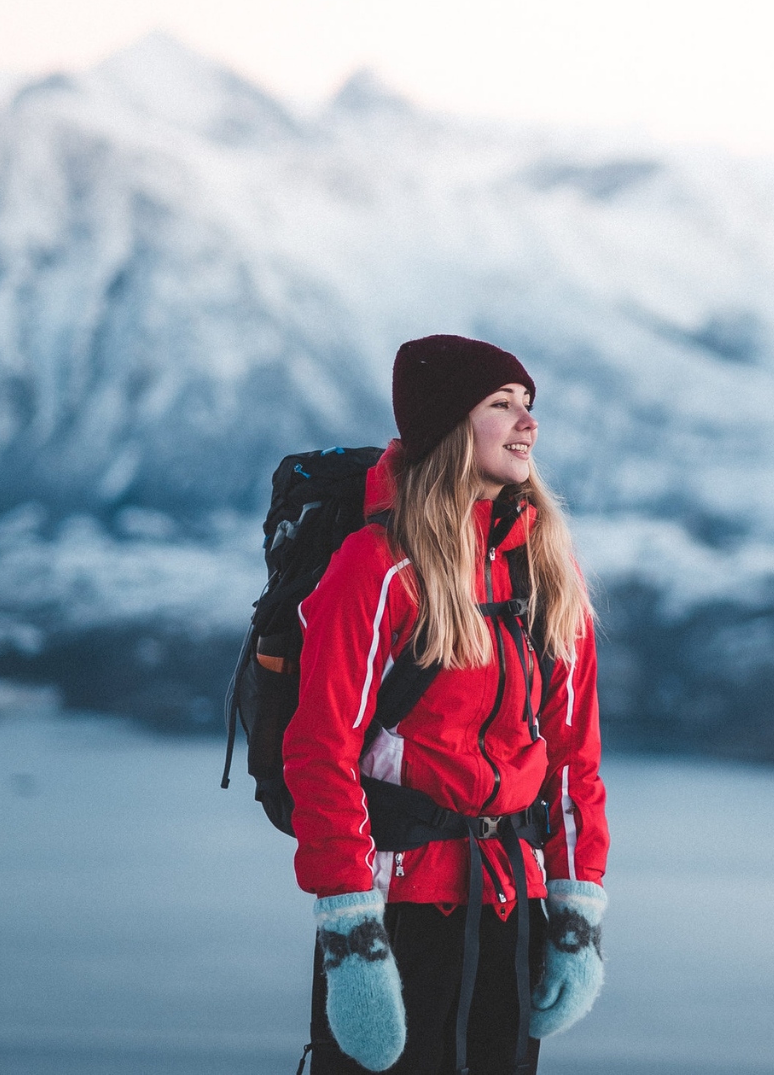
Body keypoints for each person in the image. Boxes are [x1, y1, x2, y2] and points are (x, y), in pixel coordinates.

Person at [283, 335, 609, 1075]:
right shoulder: (378, 568)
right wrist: (350, 937)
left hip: (512, 909)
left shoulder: (546, 568)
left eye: (529, 406)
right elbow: (319, 751)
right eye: (502, 405)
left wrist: (576, 913)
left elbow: (572, 759)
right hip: (398, 910)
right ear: (447, 427)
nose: (528, 424)